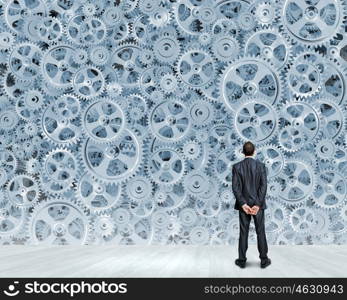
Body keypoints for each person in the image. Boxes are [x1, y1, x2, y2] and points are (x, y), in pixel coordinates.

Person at [231, 141, 271, 269]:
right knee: (261, 232)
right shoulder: (261, 166)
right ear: (254, 152)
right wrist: (258, 204)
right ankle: (264, 260)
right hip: (257, 206)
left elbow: (235, 188)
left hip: (244, 207)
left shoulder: (237, 167)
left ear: (243, 153)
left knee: (244, 233)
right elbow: (263, 186)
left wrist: (243, 204)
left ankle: (242, 261)